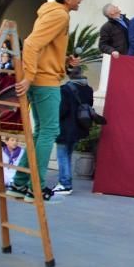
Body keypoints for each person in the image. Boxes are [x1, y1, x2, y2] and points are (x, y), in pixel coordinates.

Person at [6, 0, 82, 203]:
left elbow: (44, 47)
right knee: (49, 131)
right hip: (45, 81)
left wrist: (64, 61)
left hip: (43, 77)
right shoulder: (60, 15)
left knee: (41, 132)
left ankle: (20, 184)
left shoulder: (51, 12)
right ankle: (34, 187)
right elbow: (30, 44)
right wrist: (28, 77)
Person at [54, 66, 93, 195]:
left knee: (62, 156)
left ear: (69, 75)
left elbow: (61, 110)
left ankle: (65, 183)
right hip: (79, 127)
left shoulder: (65, 89)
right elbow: (90, 106)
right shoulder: (88, 89)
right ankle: (66, 182)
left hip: (65, 128)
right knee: (68, 154)